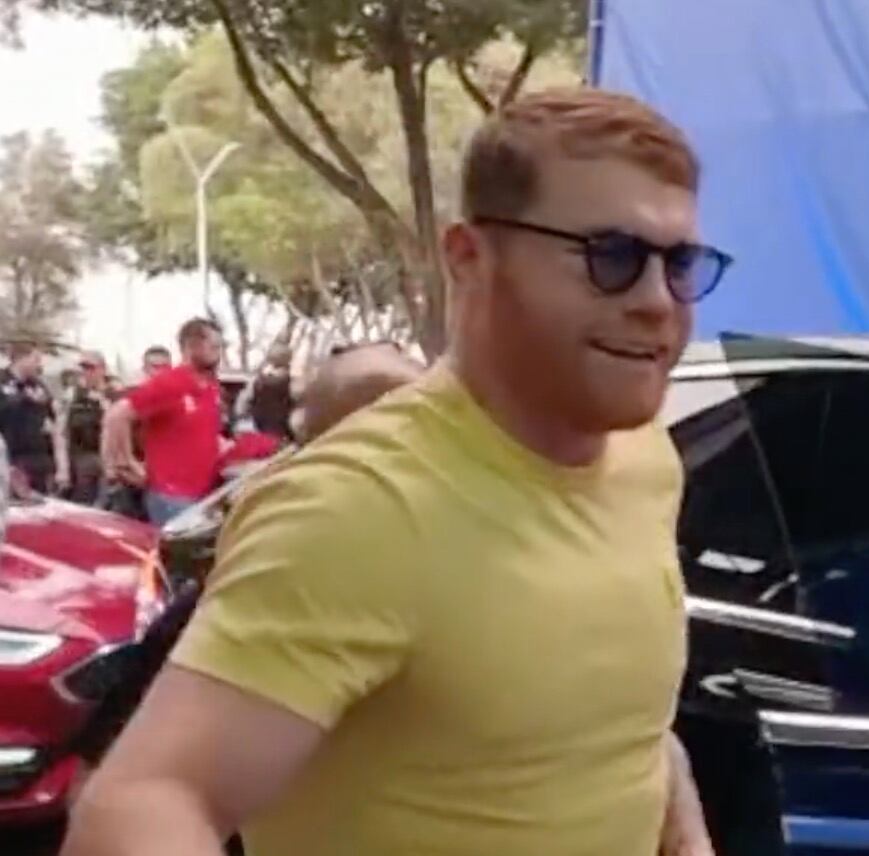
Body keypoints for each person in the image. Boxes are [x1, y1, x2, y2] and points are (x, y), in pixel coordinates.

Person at [64, 88, 728, 856]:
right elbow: (142, 805)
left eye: (680, 264)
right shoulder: (357, 508)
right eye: (611, 257)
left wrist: (685, 830)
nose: (658, 302)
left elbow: (617, 727)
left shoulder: (647, 458)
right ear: (470, 259)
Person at [101, 319, 226, 526]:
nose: (218, 352)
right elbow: (117, 415)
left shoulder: (210, 387)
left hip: (201, 496)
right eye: (212, 346)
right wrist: (126, 462)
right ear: (190, 347)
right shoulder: (170, 383)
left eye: (219, 346)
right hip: (171, 498)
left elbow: (202, 433)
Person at [54, 350, 112, 504]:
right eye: (83, 368)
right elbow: (61, 433)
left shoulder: (113, 394)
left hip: (108, 460)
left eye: (91, 368)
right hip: (81, 458)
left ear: (103, 369)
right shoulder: (71, 395)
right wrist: (62, 468)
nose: (87, 372)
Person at [0, 342, 57, 494]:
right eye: (35, 359)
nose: (39, 365)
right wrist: (24, 398)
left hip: (38, 458)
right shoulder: (2, 381)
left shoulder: (38, 386)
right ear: (21, 358)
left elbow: (52, 417)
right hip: (9, 457)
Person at [235, 344, 298, 442]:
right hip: (283, 432)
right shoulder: (294, 382)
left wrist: (242, 418)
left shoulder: (257, 381)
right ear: (289, 359)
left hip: (260, 430)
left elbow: (242, 405)